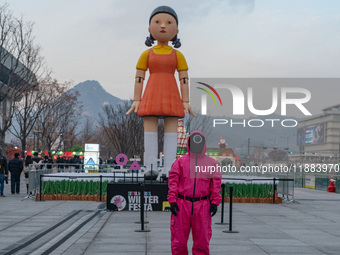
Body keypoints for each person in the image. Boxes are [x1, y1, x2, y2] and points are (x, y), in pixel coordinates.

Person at [126, 6, 195, 174]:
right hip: (152, 93)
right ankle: (150, 168)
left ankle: (169, 170)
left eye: (168, 22)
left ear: (177, 30)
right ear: (149, 29)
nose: (163, 26)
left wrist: (185, 101)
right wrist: (137, 99)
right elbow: (139, 77)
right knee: (149, 126)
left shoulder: (178, 55)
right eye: (157, 22)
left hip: (171, 93)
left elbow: (184, 79)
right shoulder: (146, 54)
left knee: (172, 129)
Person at [168, 131, 222, 255]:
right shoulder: (180, 162)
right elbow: (173, 182)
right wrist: (172, 200)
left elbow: (216, 185)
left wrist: (214, 202)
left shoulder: (211, 164)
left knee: (202, 242)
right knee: (179, 241)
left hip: (202, 206)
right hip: (182, 205)